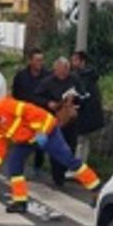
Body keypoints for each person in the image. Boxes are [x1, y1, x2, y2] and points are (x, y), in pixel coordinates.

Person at [0, 97, 102, 213]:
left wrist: (41, 131)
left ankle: (97, 189)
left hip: (47, 131)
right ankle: (20, 202)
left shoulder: (4, 106)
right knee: (14, 164)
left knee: (67, 160)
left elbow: (31, 111)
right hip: (27, 140)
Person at [33, 57, 81, 187]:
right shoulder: (47, 82)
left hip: (70, 120)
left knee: (70, 146)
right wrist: (48, 103)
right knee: (56, 147)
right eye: (60, 71)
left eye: (66, 71)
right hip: (53, 120)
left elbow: (82, 95)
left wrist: (75, 102)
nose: (63, 74)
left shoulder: (74, 80)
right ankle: (57, 176)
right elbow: (36, 97)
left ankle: (64, 170)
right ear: (55, 70)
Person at [12, 48, 47, 175]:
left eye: (42, 60)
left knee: (40, 143)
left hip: (40, 115)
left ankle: (37, 167)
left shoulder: (47, 76)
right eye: (37, 60)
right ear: (30, 61)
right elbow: (15, 95)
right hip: (24, 115)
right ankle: (19, 168)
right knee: (22, 142)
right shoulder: (21, 76)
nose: (40, 63)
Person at [70, 50, 105, 161]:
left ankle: (77, 167)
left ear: (82, 61)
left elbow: (82, 95)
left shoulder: (83, 77)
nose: (72, 63)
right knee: (84, 140)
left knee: (79, 141)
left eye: (75, 60)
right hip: (89, 113)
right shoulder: (89, 75)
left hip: (85, 113)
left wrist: (75, 103)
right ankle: (81, 166)